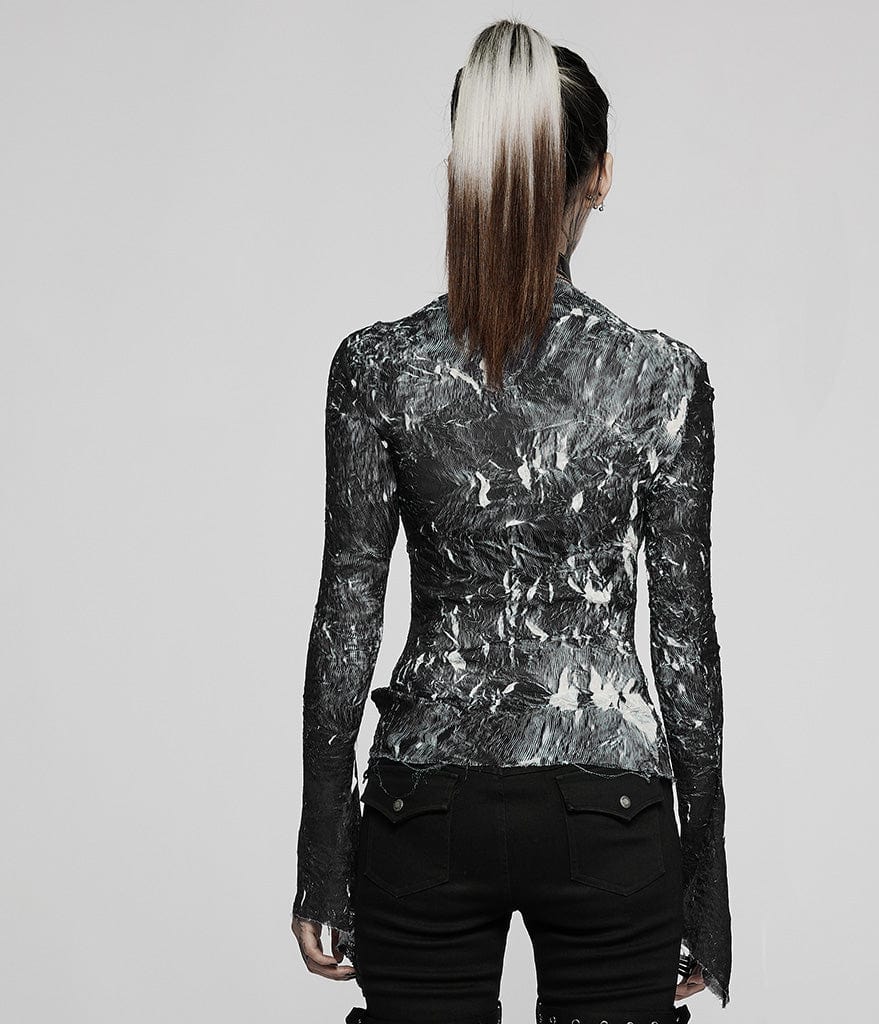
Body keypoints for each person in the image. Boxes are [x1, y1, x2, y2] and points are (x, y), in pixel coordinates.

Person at [290, 18, 732, 1024]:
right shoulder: (659, 379)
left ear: (464, 170)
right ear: (600, 177)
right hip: (607, 803)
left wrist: (322, 853)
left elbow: (345, 617)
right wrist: (705, 884)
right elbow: (685, 646)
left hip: (426, 801)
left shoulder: (379, 368)